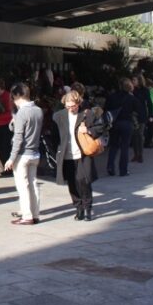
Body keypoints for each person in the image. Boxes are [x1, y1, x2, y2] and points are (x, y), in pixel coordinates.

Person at [53, 90, 98, 221]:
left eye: (73, 106)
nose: (71, 108)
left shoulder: (87, 114)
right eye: (68, 106)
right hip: (66, 155)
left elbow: (101, 127)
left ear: (78, 103)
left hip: (82, 154)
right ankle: (78, 208)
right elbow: (55, 136)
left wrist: (89, 130)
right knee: (72, 182)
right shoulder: (58, 116)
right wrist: (57, 150)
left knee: (83, 181)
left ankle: (88, 207)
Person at [4, 83, 42, 225]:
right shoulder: (38, 110)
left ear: (16, 96)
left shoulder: (21, 113)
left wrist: (11, 158)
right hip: (35, 152)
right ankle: (35, 213)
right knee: (33, 184)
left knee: (23, 186)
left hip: (22, 154)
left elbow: (18, 137)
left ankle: (27, 216)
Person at [105, 78, 145, 177]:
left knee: (113, 146)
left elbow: (106, 109)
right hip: (127, 123)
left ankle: (110, 166)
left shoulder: (112, 97)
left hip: (114, 123)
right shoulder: (132, 98)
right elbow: (140, 111)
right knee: (124, 147)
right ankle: (123, 170)